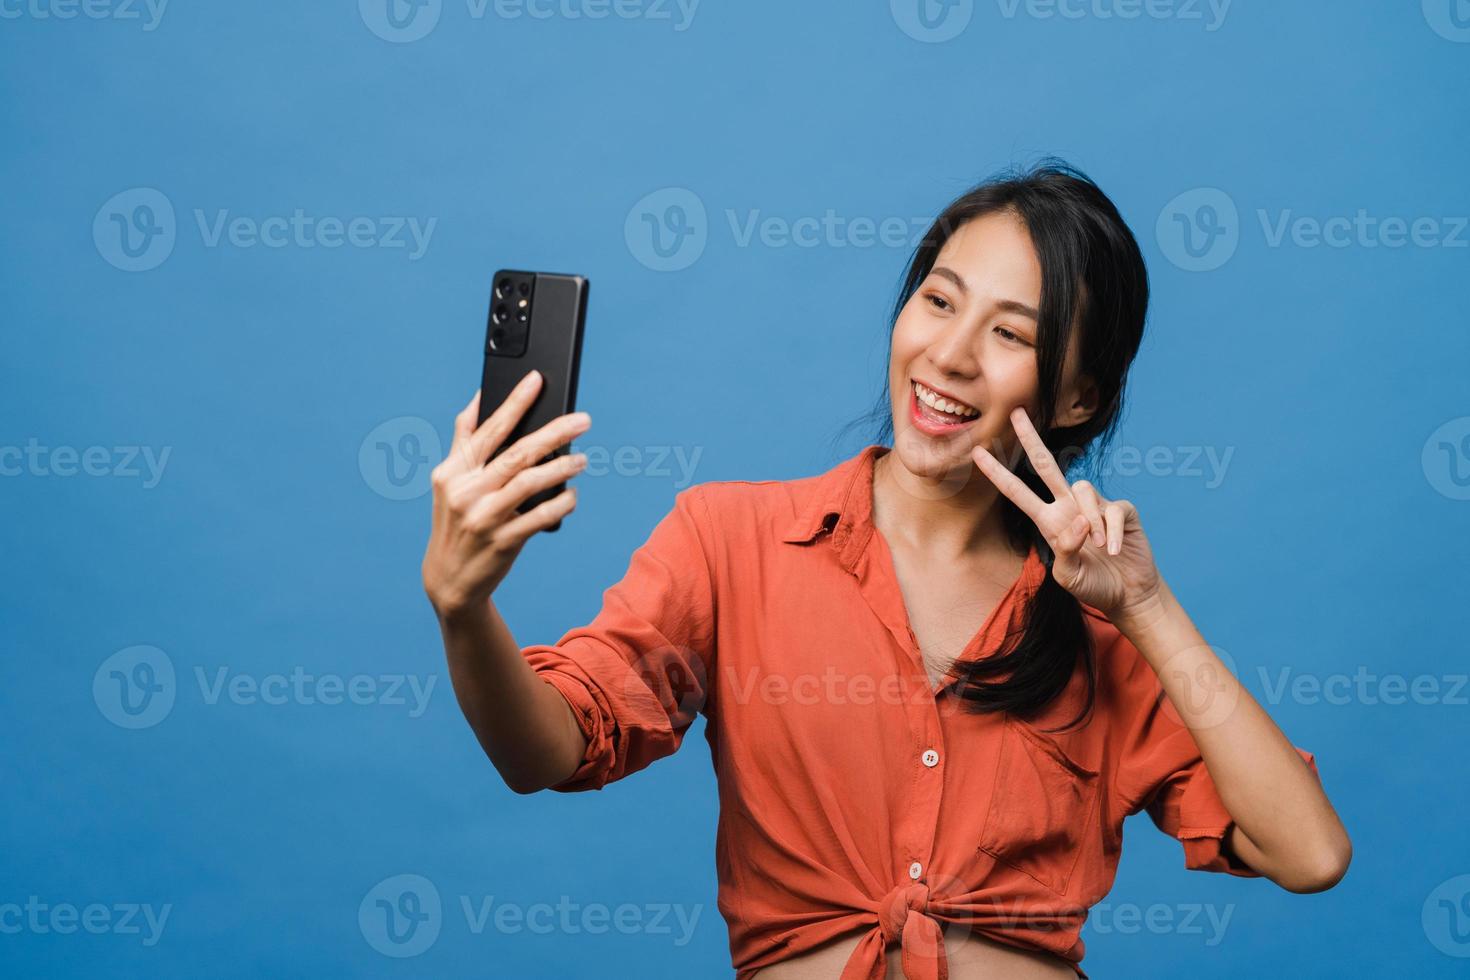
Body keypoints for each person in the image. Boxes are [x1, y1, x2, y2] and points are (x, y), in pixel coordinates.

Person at [420, 159, 1351, 979]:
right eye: (939, 301)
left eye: (1010, 335)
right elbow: (548, 750)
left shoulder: (1100, 621)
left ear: (1078, 394)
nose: (948, 355)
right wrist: (464, 611)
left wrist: (1145, 606)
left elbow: (1308, 853)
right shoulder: (729, 540)